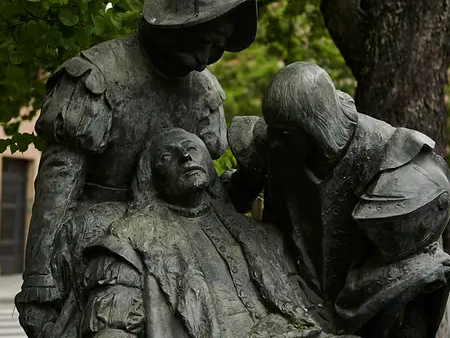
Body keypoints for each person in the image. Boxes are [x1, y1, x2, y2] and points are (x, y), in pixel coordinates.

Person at [15, 0, 258, 337]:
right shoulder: (97, 76)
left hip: (183, 235)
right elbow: (58, 182)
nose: (207, 58)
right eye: (204, 42)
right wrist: (39, 280)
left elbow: (209, 188)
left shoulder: (206, 93)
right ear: (178, 26)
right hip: (104, 235)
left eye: (219, 46)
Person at [226, 62, 450, 337]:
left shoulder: (393, 160)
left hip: (367, 310)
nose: (273, 140)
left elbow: (418, 280)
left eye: (285, 134)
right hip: (294, 299)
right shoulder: (276, 143)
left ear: (315, 129)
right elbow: (235, 196)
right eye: (273, 130)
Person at [73, 128, 349, 338]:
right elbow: (113, 327)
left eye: (193, 147)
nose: (186, 156)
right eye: (167, 156)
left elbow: (308, 310)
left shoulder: (259, 235)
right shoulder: (129, 240)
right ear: (151, 178)